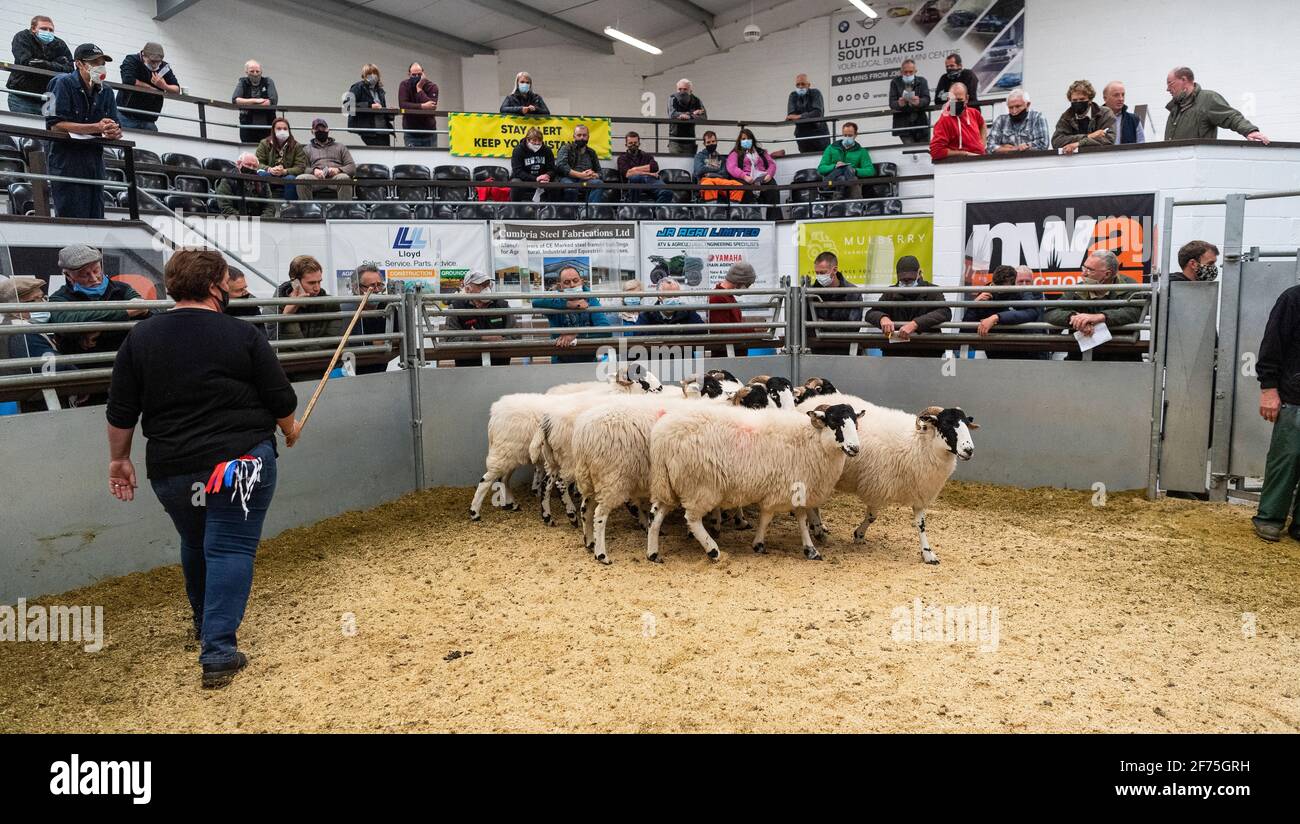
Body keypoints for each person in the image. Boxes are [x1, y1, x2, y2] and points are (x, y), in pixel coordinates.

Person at [106, 249, 301, 688]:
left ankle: (203, 626)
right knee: (230, 546)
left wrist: (119, 460)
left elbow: (121, 411)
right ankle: (218, 650)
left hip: (173, 468)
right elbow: (280, 399)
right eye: (226, 281)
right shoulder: (242, 335)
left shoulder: (140, 338)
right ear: (215, 286)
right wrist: (290, 429)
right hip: (240, 463)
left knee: (196, 542)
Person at [45, 43, 121, 220]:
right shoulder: (60, 83)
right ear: (79, 64)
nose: (99, 67)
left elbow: (115, 124)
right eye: (94, 62)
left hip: (94, 162)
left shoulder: (107, 91)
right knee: (71, 218)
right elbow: (54, 125)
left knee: (96, 219)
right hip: (66, 161)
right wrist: (97, 127)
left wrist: (113, 131)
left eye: (102, 63)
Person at [1252, 284, 1300, 541]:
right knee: (1287, 458)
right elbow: (1272, 343)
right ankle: (1270, 517)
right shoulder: (1293, 298)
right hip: (1295, 395)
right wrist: (1268, 388)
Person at [1043, 250, 1146, 362]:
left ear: (1107, 274)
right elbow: (1051, 311)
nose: (1083, 274)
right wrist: (1074, 318)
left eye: (1090, 270)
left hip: (1120, 359)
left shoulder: (1130, 286)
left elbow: (1135, 312)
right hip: (1080, 360)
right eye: (1084, 268)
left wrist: (1100, 317)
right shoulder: (1078, 290)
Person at [48, 244, 149, 356]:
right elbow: (68, 322)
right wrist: (126, 312)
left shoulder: (122, 289)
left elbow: (145, 312)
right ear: (68, 275)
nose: (94, 278)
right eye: (84, 275)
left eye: (96, 271)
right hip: (84, 367)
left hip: (123, 360)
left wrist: (98, 331)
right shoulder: (59, 298)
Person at [864, 255, 952, 357]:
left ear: (919, 273)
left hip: (927, 351)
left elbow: (945, 312)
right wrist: (882, 318)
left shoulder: (932, 291)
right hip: (896, 352)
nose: (906, 283)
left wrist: (915, 324)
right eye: (903, 280)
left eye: (910, 280)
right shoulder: (890, 292)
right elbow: (871, 313)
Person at [1164, 66, 1267, 144]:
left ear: (1184, 80)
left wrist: (1249, 131)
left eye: (1170, 83)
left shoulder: (1208, 99)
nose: (1168, 89)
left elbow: (1231, 117)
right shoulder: (1175, 108)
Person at [530, 265, 611, 364]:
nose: (572, 285)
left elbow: (606, 330)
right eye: (567, 282)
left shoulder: (590, 299)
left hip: (588, 361)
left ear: (581, 282)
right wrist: (568, 304)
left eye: (575, 280)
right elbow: (535, 302)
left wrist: (575, 335)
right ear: (560, 286)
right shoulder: (555, 299)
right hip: (561, 360)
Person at [963, 264, 1045, 358]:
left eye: (1028, 281)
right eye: (1021, 281)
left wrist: (997, 317)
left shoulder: (1027, 293)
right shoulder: (986, 293)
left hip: (1025, 351)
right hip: (995, 352)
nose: (1024, 285)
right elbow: (965, 329)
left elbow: (1032, 314)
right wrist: (974, 304)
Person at [446, 271, 517, 367]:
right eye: (481, 285)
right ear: (468, 289)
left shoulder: (502, 305)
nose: (486, 289)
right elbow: (450, 339)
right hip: (467, 368)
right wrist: (480, 338)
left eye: (488, 285)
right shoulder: (456, 307)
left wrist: (500, 340)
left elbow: (515, 335)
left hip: (499, 365)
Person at [6, 15, 72, 115]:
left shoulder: (60, 44)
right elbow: (26, 62)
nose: (48, 32)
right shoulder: (22, 37)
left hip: (47, 99)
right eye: (44, 29)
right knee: (25, 127)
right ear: (33, 28)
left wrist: (45, 64)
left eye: (51, 30)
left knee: (47, 130)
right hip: (22, 97)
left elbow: (70, 69)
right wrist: (56, 64)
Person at [1, 276, 64, 376]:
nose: (42, 304)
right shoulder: (24, 334)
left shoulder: (9, 326)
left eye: (42, 298)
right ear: (14, 308)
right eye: (34, 300)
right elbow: (57, 369)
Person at [276, 255, 344, 346]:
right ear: (295, 282)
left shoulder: (330, 304)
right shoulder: (275, 305)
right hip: (292, 360)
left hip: (321, 359)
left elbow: (332, 342)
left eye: (319, 282)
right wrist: (287, 316)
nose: (317, 288)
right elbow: (275, 343)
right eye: (311, 283)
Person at [115, 42, 178, 132]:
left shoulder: (164, 67)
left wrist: (164, 86)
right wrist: (152, 88)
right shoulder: (132, 60)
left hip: (149, 118)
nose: (155, 65)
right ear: (143, 55)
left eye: (158, 62)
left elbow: (176, 89)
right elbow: (128, 80)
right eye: (152, 61)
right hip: (126, 115)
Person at [806, 251, 862, 353]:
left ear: (835, 270)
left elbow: (853, 328)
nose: (819, 276)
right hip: (818, 351)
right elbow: (807, 327)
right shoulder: (811, 293)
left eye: (822, 273)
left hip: (844, 351)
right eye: (816, 273)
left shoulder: (852, 292)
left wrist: (821, 324)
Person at [297, 118, 355, 201]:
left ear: (328, 130)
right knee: (300, 179)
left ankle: (344, 209)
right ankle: (307, 209)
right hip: (316, 179)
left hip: (336, 177)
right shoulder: (306, 149)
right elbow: (302, 168)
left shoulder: (340, 147)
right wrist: (314, 171)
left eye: (323, 128)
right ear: (312, 131)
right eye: (317, 129)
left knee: (344, 178)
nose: (320, 130)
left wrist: (338, 170)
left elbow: (352, 167)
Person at [348, 264, 392, 374]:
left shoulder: (388, 307)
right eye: (371, 286)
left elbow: (401, 338)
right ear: (356, 288)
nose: (377, 290)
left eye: (380, 285)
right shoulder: (346, 310)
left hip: (379, 371)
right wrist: (373, 342)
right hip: (349, 374)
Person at [1051, 80, 1115, 154]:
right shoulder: (1066, 117)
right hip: (1075, 162)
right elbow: (1056, 141)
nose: (1078, 102)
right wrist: (1089, 136)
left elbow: (1108, 139)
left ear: (1090, 100)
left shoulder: (1104, 113)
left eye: (1082, 99)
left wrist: (1079, 143)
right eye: (1074, 100)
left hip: (1100, 158)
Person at [816, 122, 874, 200]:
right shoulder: (831, 148)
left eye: (850, 135)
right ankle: (858, 202)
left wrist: (855, 170)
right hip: (830, 181)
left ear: (856, 135)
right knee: (846, 169)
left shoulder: (861, 151)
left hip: (845, 180)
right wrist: (835, 166)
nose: (847, 138)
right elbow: (821, 169)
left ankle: (838, 202)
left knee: (845, 174)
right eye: (845, 135)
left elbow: (870, 171)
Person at [725, 129, 779, 215]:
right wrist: (744, 176)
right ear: (739, 141)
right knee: (744, 187)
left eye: (748, 138)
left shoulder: (762, 152)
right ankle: (753, 216)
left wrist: (769, 175)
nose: (746, 141)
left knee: (772, 185)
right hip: (746, 179)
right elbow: (732, 167)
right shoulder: (735, 153)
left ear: (752, 140)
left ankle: (774, 217)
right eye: (743, 139)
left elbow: (772, 164)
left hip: (762, 178)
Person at [708, 261, 757, 353]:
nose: (747, 288)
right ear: (739, 282)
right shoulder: (718, 298)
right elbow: (723, 331)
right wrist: (752, 329)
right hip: (727, 356)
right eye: (747, 284)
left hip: (733, 353)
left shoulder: (727, 296)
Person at [254, 117, 306, 201]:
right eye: (279, 128)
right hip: (269, 174)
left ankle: (290, 208)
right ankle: (263, 205)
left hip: (287, 176)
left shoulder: (297, 146)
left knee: (291, 179)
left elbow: (300, 167)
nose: (282, 131)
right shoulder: (264, 143)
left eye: (285, 129)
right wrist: (270, 169)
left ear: (289, 130)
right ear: (273, 130)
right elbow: (257, 163)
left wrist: (285, 171)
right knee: (261, 175)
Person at [929, 82, 985, 160]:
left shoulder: (974, 113)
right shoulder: (944, 120)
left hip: (981, 159)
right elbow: (936, 151)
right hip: (961, 163)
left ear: (967, 99)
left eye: (959, 99)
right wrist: (964, 153)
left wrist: (983, 144)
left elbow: (982, 124)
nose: (955, 102)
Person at [986, 88, 1050, 153]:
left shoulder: (1037, 117)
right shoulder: (1000, 120)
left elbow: (1043, 144)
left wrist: (1003, 149)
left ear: (1027, 105)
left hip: (1032, 162)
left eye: (1018, 106)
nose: (1014, 111)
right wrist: (1017, 149)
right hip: (1006, 163)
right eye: (1010, 107)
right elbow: (990, 147)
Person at [554, 124, 605, 204]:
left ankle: (591, 212)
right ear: (574, 136)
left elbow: (600, 172)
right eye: (579, 135)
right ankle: (570, 213)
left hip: (586, 180)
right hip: (568, 178)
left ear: (588, 137)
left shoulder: (592, 152)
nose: (582, 137)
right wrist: (580, 175)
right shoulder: (566, 148)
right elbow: (561, 166)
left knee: (599, 183)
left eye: (584, 135)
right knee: (571, 187)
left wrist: (595, 175)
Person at [617, 131, 672, 204]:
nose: (633, 145)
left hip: (649, 182)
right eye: (630, 143)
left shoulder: (647, 156)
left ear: (639, 143)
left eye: (635, 142)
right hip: (633, 185)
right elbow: (628, 174)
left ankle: (655, 212)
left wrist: (634, 169)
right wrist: (648, 173)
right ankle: (633, 209)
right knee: (636, 178)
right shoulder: (622, 158)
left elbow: (654, 167)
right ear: (626, 145)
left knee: (667, 193)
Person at [216, 153, 277, 217]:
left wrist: (263, 219)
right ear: (238, 164)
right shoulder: (227, 180)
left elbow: (269, 206)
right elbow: (225, 207)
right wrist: (245, 219)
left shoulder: (262, 181)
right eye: (248, 165)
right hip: (236, 221)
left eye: (254, 166)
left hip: (259, 221)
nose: (251, 168)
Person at [232, 60, 278, 144]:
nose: (255, 74)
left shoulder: (268, 81)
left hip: (267, 126)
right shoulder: (242, 82)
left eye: (257, 71)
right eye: (252, 71)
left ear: (261, 71)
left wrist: (246, 102)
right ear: (246, 72)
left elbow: (272, 101)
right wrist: (256, 100)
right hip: (247, 126)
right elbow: (235, 100)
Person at [346, 63, 393, 147]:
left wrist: (388, 110)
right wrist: (369, 106)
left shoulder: (380, 91)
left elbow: (381, 107)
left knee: (386, 156)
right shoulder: (357, 87)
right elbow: (348, 105)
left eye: (374, 73)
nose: (372, 76)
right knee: (377, 155)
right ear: (364, 76)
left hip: (383, 130)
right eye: (369, 74)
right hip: (370, 131)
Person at [636, 278, 703, 335]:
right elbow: (638, 336)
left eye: (676, 296)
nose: (673, 299)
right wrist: (665, 330)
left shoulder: (688, 312)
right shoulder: (647, 315)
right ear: (659, 297)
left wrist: (682, 330)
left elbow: (702, 331)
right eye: (669, 296)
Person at [888, 59, 932, 145]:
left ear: (915, 71)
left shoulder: (922, 81)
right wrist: (899, 104)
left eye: (911, 72)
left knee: (924, 152)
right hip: (902, 124)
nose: (908, 74)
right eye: (905, 72)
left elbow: (927, 99)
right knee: (910, 152)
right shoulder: (895, 82)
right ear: (901, 72)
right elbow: (892, 103)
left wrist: (919, 102)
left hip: (921, 123)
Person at [509, 126, 557, 202]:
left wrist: (547, 175)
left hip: (542, 180)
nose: (537, 143)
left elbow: (552, 169)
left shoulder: (547, 150)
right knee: (516, 183)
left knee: (555, 184)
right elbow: (517, 171)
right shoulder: (518, 150)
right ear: (528, 140)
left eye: (539, 140)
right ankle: (515, 209)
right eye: (534, 140)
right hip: (523, 180)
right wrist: (535, 179)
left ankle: (553, 210)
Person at [398, 62, 438, 148]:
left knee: (431, 160)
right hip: (411, 132)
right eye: (414, 75)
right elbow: (403, 105)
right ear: (409, 74)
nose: (416, 77)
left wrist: (419, 89)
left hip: (429, 133)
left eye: (419, 74)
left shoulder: (432, 87)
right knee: (412, 161)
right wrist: (422, 106)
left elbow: (432, 107)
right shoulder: (404, 85)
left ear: (423, 73)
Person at [694, 131, 742, 203]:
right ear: (704, 144)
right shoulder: (699, 156)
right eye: (708, 142)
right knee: (708, 185)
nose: (711, 144)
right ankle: (712, 210)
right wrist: (716, 168)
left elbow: (725, 174)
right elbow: (699, 170)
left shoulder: (721, 158)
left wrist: (710, 173)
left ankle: (733, 209)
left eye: (713, 141)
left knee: (738, 186)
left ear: (717, 141)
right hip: (706, 181)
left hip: (721, 181)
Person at [786, 74, 830, 153]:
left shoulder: (815, 93)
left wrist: (799, 116)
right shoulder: (793, 95)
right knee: (805, 161)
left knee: (823, 160)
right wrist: (805, 116)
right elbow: (791, 115)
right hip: (802, 135)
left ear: (808, 85)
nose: (800, 87)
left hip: (819, 134)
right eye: (798, 84)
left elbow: (817, 113)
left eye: (803, 84)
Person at [223, 266, 266, 337]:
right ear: (223, 291)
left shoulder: (250, 306)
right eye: (239, 290)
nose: (245, 292)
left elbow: (261, 337)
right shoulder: (213, 308)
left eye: (245, 287)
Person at [667, 79, 706, 156]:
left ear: (690, 91)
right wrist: (692, 114)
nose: (682, 91)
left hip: (690, 140)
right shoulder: (672, 98)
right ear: (676, 90)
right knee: (674, 165)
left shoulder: (696, 100)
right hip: (675, 140)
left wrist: (689, 116)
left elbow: (704, 117)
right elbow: (672, 114)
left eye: (685, 89)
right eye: (680, 89)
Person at [1103, 81, 1144, 145]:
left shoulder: (1134, 119)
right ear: (1105, 98)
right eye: (1116, 95)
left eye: (1123, 95)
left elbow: (1141, 144)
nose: (1121, 98)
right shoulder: (1096, 119)